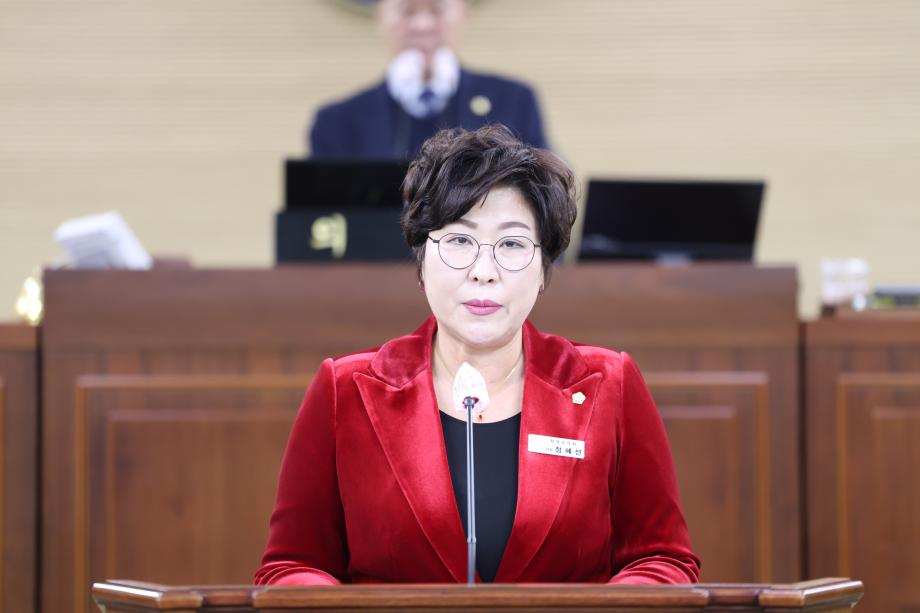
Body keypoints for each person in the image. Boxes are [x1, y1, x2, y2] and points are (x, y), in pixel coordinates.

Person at [256, 125, 700, 585]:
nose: (483, 272)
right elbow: (293, 567)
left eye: (511, 244)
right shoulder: (345, 390)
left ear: (543, 270)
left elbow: (662, 559)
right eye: (459, 241)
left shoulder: (608, 383)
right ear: (421, 261)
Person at [309, 0, 547, 159]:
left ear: (464, 13)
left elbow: (546, 186)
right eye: (406, 11)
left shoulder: (514, 101)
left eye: (437, 10)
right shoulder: (337, 122)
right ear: (380, 15)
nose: (422, 25)